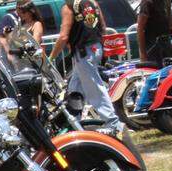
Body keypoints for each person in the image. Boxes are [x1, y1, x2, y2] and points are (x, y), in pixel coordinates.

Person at [51, 0, 123, 133]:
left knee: (94, 89)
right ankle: (74, 121)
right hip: (95, 47)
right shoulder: (92, 2)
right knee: (75, 87)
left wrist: (51, 57)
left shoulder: (68, 7)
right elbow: (103, 26)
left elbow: (63, 36)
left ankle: (113, 124)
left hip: (83, 52)